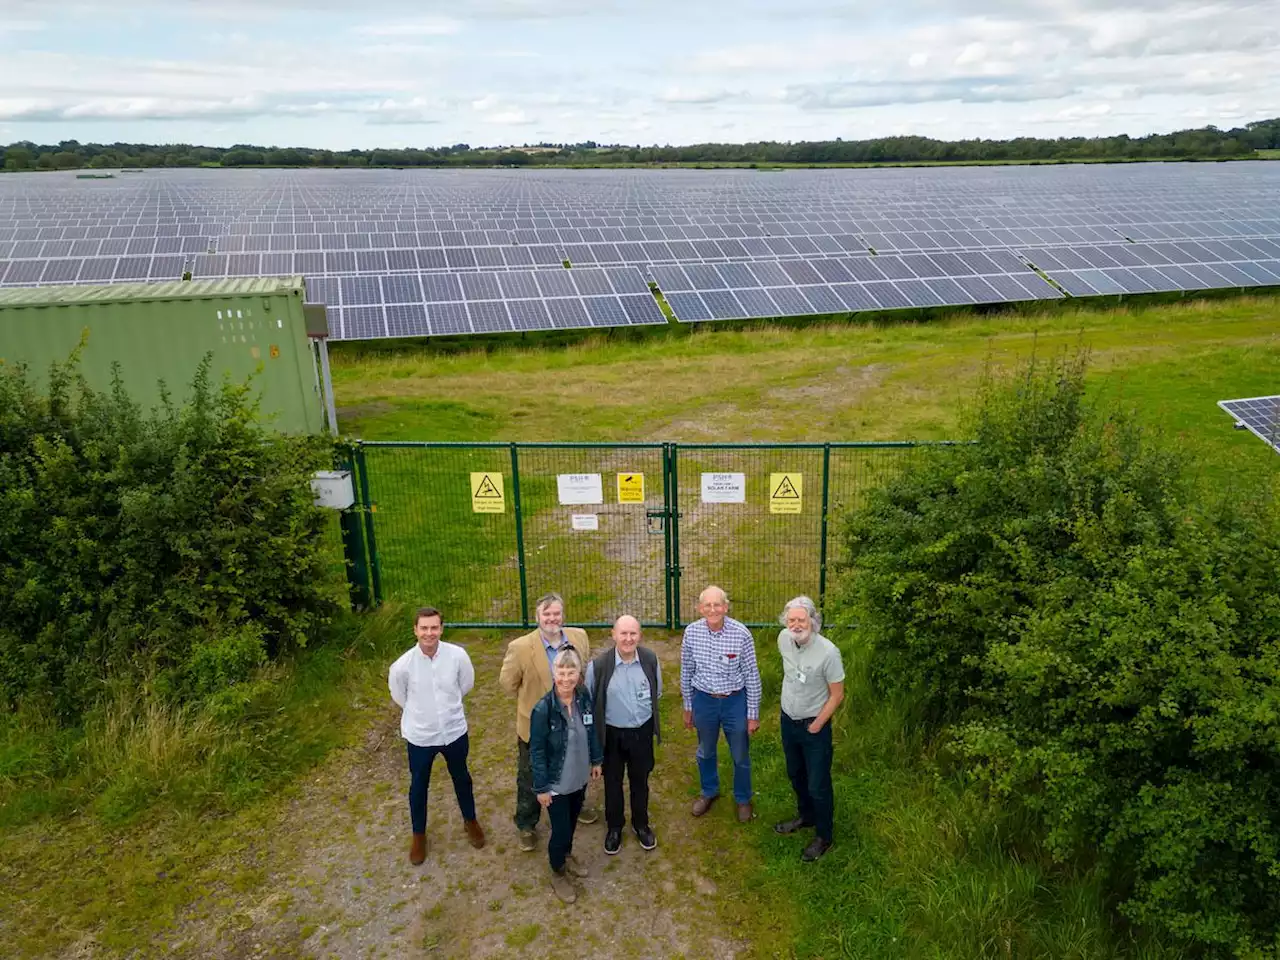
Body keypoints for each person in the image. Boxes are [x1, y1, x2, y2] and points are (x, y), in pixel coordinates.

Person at [499, 592, 598, 853]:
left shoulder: (579, 637)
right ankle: (527, 822)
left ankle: (575, 804)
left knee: (574, 762)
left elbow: (582, 669)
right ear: (537, 617)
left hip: (572, 718)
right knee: (530, 772)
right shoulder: (520, 648)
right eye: (547, 614)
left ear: (563, 615)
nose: (552, 618)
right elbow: (507, 683)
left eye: (556, 613)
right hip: (536, 725)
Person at [388, 606, 485, 865]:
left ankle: (470, 820)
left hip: (454, 731)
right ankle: (418, 835)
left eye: (434, 627)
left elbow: (466, 685)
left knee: (462, 777)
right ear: (415, 630)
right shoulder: (401, 667)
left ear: (441, 629)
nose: (429, 633)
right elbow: (400, 697)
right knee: (418, 785)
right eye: (424, 628)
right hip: (420, 736)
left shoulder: (458, 656)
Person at [680, 584, 762, 822]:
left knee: (739, 753)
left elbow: (752, 674)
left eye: (718, 605)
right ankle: (709, 791)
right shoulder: (691, 633)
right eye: (708, 605)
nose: (713, 609)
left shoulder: (742, 634)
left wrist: (753, 713)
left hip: (734, 701)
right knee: (705, 751)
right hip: (703, 699)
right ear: (700, 608)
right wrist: (688, 706)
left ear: (726, 607)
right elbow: (686, 670)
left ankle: (743, 798)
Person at [773, 596, 845, 862]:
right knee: (795, 773)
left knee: (818, 784)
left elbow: (837, 695)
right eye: (791, 619)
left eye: (801, 619)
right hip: (788, 720)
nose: (796, 624)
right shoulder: (783, 639)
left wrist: (817, 724)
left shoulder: (829, 652)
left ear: (813, 622)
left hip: (814, 726)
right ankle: (806, 816)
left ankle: (824, 836)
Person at [530, 646, 603, 903]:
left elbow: (592, 730)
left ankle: (567, 853)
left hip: (579, 776)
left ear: (578, 674)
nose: (566, 678)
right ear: (554, 673)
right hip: (556, 782)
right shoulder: (543, 709)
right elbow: (536, 751)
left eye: (571, 672)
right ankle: (557, 870)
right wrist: (541, 788)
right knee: (560, 830)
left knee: (572, 822)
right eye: (561, 672)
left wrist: (596, 760)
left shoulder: (583, 696)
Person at [585, 615, 662, 855]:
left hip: (642, 732)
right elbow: (590, 700)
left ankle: (641, 824)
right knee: (613, 782)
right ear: (613, 634)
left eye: (633, 634)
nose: (628, 639)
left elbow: (657, 692)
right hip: (612, 734)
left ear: (640, 635)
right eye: (623, 633)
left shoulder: (650, 660)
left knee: (640, 781)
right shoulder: (598, 666)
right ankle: (615, 827)